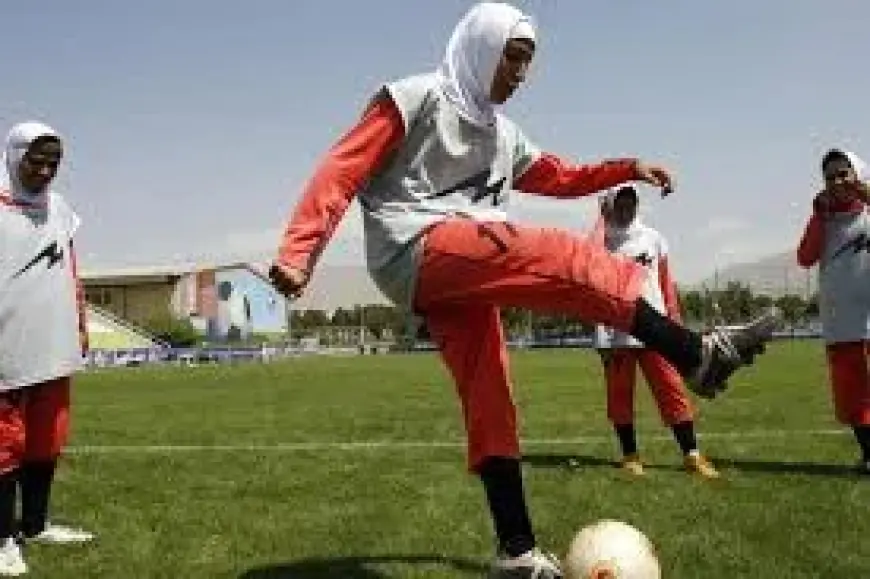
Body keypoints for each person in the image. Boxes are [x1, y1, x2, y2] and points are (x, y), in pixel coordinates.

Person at [269, 3, 777, 576]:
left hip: (460, 269)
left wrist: (626, 167)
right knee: (555, 255)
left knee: (492, 397)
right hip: (414, 246)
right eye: (512, 57)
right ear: (481, 48)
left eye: (528, 62)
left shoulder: (503, 134)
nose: (520, 73)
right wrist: (298, 250)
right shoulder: (414, 98)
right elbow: (342, 167)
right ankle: (694, 352)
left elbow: (560, 177)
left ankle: (517, 552)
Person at [0, 122, 94, 576]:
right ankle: (2, 540)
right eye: (35, 160)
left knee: (45, 440)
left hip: (52, 343)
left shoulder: (59, 208)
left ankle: (35, 525)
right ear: (13, 155)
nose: (44, 170)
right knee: (4, 445)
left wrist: (78, 322)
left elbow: (70, 269)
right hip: (5, 347)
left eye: (53, 162)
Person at [594, 186, 718, 478]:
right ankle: (630, 455)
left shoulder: (654, 239)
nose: (626, 208)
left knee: (672, 391)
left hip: (658, 333)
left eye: (631, 203)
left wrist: (675, 329)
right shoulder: (599, 243)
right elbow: (593, 293)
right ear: (610, 205)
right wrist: (600, 336)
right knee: (620, 397)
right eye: (620, 203)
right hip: (616, 333)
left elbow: (666, 287)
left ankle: (691, 454)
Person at [797, 148, 870, 474]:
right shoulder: (825, 222)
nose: (838, 182)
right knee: (853, 402)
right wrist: (819, 217)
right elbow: (805, 257)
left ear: (859, 174)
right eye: (830, 177)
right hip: (841, 326)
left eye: (844, 173)